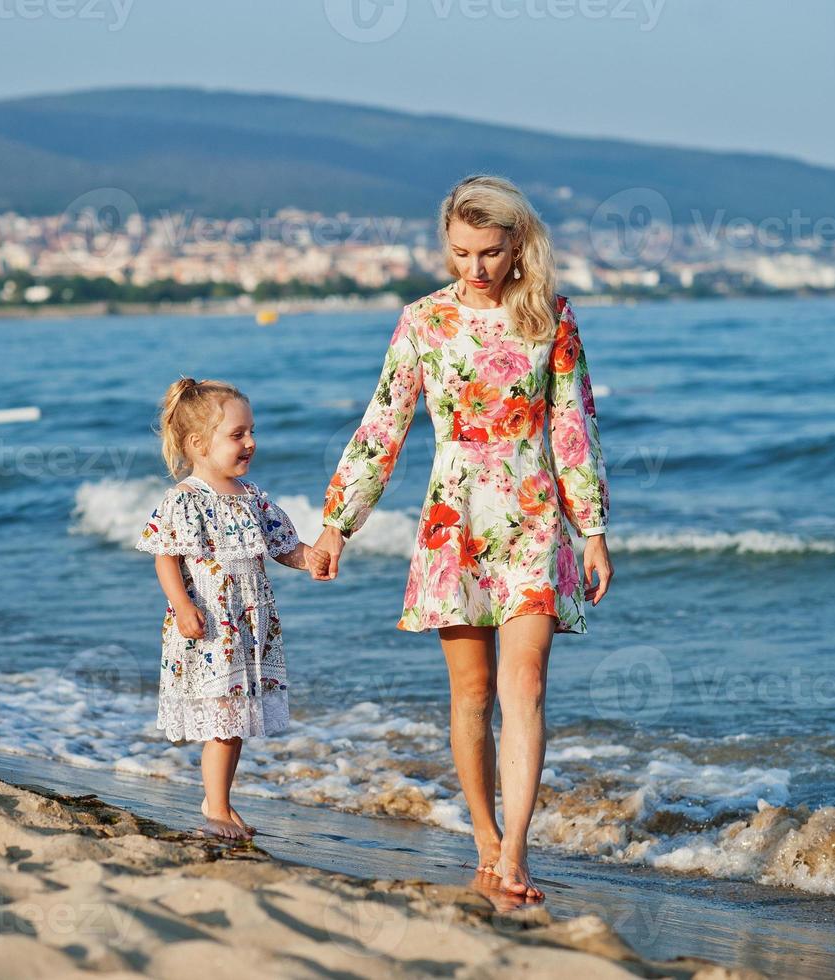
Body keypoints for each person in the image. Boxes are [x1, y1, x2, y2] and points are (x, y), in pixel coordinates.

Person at [313, 174, 614, 899]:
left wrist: (593, 530)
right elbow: (382, 423)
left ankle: (514, 853)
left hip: (534, 516)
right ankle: (482, 833)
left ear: (518, 244)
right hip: (456, 520)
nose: (474, 268)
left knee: (526, 683)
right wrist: (336, 525)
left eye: (488, 251)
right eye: (460, 252)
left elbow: (575, 429)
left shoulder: (552, 317)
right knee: (472, 691)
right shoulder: (423, 320)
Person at [137, 378, 330, 840]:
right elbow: (166, 555)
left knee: (236, 720)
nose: (251, 442)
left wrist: (311, 559)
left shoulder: (252, 495)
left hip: (248, 623)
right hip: (210, 624)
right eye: (238, 434)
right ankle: (217, 808)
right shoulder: (186, 498)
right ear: (198, 444)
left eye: (252, 431)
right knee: (224, 721)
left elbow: (282, 545)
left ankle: (218, 799)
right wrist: (182, 605)